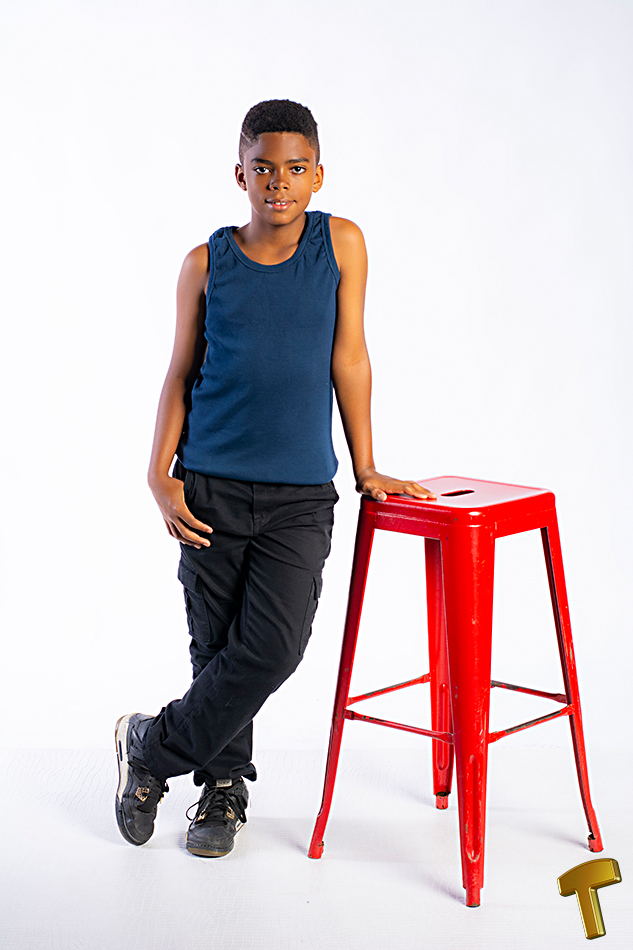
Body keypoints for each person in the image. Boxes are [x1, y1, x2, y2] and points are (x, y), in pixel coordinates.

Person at [115, 99, 436, 858]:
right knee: (216, 645)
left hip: (299, 496)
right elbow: (181, 373)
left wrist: (366, 464)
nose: (278, 183)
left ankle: (150, 747)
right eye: (263, 169)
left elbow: (349, 356)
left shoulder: (341, 244)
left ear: (318, 176)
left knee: (273, 647)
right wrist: (159, 475)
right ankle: (223, 790)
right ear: (240, 175)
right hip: (209, 487)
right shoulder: (205, 264)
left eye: (295, 169)